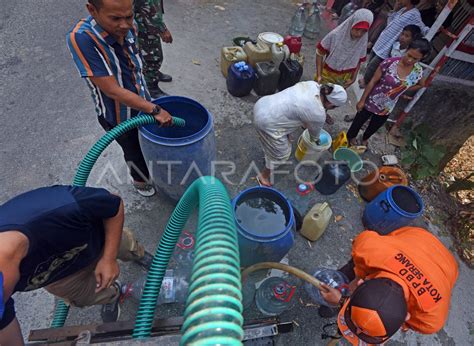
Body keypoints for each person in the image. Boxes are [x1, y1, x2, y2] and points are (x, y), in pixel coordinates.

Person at [0, 185, 153, 345]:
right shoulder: (2, 289)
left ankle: (139, 254)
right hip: (59, 278)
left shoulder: (59, 208)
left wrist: (109, 258)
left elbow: (114, 206)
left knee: (126, 246)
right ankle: (112, 296)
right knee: (86, 296)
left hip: (100, 242)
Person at [67, 0, 174, 197]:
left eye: (129, 16)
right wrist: (156, 110)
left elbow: (134, 65)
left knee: (148, 143)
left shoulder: (129, 26)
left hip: (144, 103)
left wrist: (149, 103)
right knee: (133, 149)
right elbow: (112, 91)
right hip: (118, 116)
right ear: (92, 10)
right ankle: (141, 182)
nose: (125, 25)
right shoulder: (82, 38)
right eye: (115, 18)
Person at [318, 226, 458, 345]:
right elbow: (363, 241)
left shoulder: (431, 319)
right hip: (416, 237)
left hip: (447, 268)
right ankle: (337, 300)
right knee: (354, 266)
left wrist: (342, 301)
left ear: (407, 319)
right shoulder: (368, 250)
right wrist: (357, 276)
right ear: (360, 282)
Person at [254, 82, 347, 187]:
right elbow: (314, 136)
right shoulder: (318, 114)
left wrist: (287, 132)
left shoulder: (312, 85)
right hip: (266, 122)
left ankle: (270, 151)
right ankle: (263, 177)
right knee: (281, 155)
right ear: (330, 104)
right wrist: (318, 141)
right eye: (334, 107)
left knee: (279, 138)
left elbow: (295, 110)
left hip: (263, 104)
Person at [347, 39, 430, 150]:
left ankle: (365, 139)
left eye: (415, 59)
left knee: (374, 127)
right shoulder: (390, 63)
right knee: (358, 121)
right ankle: (351, 138)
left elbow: (422, 84)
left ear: (421, 58)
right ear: (406, 50)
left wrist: (402, 90)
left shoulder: (417, 71)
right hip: (372, 100)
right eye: (409, 55)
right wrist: (362, 100)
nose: (410, 60)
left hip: (387, 107)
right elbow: (373, 81)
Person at [316, 9, 374, 124]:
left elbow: (359, 60)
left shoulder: (362, 40)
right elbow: (319, 53)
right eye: (357, 29)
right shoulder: (335, 35)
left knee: (333, 97)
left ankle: (324, 113)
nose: (359, 34)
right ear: (351, 23)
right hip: (328, 72)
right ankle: (312, 116)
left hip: (345, 76)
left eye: (363, 31)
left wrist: (353, 78)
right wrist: (318, 74)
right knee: (319, 96)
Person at [360, 0, 429, 88]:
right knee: (370, 62)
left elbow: (423, 29)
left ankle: (366, 82)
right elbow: (390, 21)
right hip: (382, 41)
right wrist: (395, 9)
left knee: (373, 66)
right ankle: (366, 80)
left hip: (388, 46)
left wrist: (433, 29)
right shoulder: (402, 10)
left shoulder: (414, 14)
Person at [134, 0, 173, 98]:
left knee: (147, 51)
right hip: (144, 23)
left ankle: (154, 73)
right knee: (154, 57)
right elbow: (148, 5)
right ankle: (150, 85)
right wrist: (162, 29)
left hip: (144, 20)